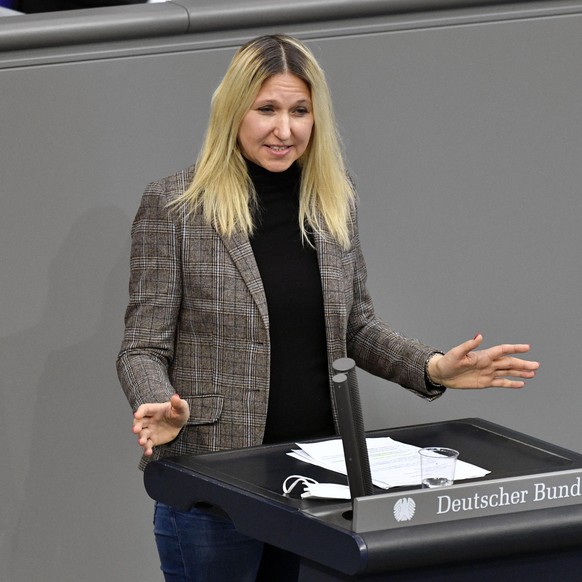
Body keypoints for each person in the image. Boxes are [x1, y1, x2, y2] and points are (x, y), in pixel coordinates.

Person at [116, 34, 539, 582]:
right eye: (266, 109)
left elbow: (355, 324)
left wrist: (434, 367)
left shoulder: (334, 201)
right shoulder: (175, 207)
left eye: (299, 111)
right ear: (232, 111)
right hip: (212, 479)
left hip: (319, 481)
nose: (284, 129)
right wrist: (158, 404)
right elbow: (142, 347)